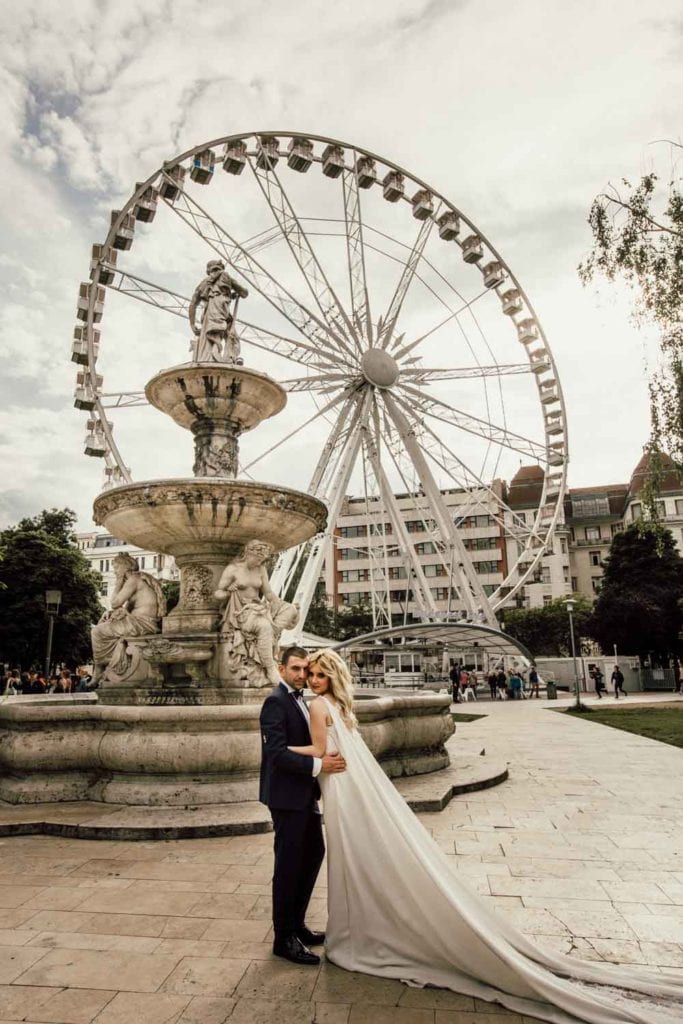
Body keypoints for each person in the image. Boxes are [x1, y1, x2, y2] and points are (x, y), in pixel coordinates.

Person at [288, 647, 683, 1024]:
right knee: (358, 855)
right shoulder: (340, 705)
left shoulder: (319, 705)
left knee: (349, 856)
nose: (314, 679)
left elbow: (320, 749)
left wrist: (280, 748)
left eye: (321, 674)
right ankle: (362, 926)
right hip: (350, 785)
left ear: (332, 676)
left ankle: (354, 932)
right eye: (312, 674)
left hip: (340, 787)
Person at [259, 646, 346, 967]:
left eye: (305, 669)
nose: (302, 675)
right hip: (285, 797)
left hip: (304, 796)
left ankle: (297, 925)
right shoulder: (275, 702)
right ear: (281, 669)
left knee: (313, 854)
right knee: (288, 866)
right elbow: (277, 755)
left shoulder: (303, 701)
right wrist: (319, 766)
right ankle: (283, 938)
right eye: (296, 669)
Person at [215, 540, 298, 687]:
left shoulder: (261, 569)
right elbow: (217, 593)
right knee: (264, 626)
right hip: (241, 613)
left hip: (258, 608)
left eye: (262, 559)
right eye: (257, 558)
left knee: (290, 609)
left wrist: (284, 606)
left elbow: (268, 594)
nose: (259, 562)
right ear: (248, 552)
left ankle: (269, 637)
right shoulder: (233, 569)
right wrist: (228, 592)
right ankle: (270, 668)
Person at [91, 553, 166, 683]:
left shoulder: (133, 580)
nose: (114, 571)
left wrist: (119, 582)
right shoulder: (138, 579)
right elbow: (127, 608)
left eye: (116, 567)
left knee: (97, 631)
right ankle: (111, 661)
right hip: (141, 621)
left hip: (142, 623)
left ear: (125, 567)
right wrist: (114, 613)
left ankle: (100, 667)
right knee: (105, 622)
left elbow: (115, 603)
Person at [188, 259, 248, 363]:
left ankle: (212, 358)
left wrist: (192, 325)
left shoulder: (203, 284)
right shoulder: (225, 276)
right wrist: (232, 293)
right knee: (231, 335)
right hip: (221, 310)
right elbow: (244, 293)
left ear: (208, 271)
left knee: (213, 335)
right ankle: (230, 358)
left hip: (209, 312)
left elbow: (192, 304)